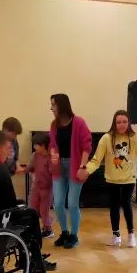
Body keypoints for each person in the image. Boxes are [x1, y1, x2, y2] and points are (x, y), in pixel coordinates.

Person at [78, 110, 137, 247]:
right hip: (112, 179)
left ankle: (131, 234)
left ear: (129, 123)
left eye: (124, 122)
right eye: (118, 122)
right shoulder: (106, 138)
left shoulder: (134, 138)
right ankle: (116, 235)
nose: (121, 125)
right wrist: (86, 170)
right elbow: (96, 160)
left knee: (127, 204)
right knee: (114, 206)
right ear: (114, 123)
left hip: (129, 179)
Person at [0, 130, 55, 271]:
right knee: (31, 214)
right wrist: (19, 205)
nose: (9, 153)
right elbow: (10, 204)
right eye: (7, 148)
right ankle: (33, 258)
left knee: (23, 206)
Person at [48, 94, 92, 249]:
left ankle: (74, 235)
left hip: (75, 166)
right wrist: (53, 154)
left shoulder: (78, 122)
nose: (51, 108)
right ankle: (64, 232)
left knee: (72, 203)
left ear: (62, 105)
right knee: (58, 203)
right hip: (59, 167)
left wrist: (82, 167)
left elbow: (87, 146)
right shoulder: (54, 125)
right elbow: (52, 145)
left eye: (53, 105)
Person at [27, 132, 54, 238]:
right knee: (31, 208)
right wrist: (30, 173)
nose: (34, 147)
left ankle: (48, 229)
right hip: (36, 187)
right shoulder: (35, 155)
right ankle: (31, 229)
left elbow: (54, 173)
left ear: (43, 145)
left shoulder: (51, 157)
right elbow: (30, 168)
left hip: (47, 189)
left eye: (36, 145)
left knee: (44, 211)